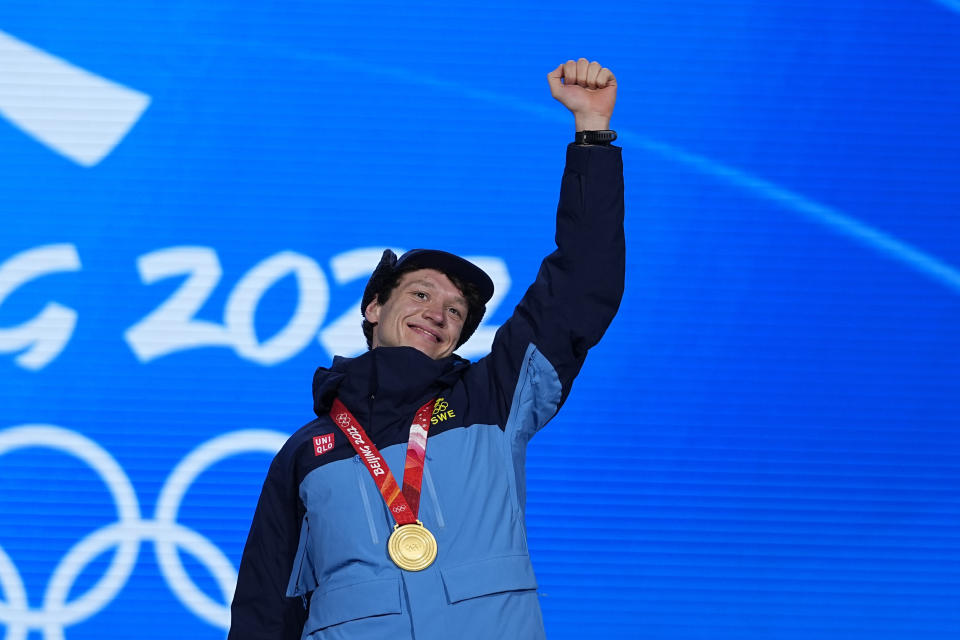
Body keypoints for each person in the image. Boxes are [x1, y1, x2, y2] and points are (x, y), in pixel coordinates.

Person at [229, 58, 624, 640]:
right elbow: (266, 609)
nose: (436, 312)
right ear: (374, 309)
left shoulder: (492, 397)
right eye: (419, 293)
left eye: (455, 312)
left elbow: (582, 284)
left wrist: (592, 133)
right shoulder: (306, 453)